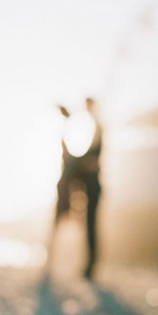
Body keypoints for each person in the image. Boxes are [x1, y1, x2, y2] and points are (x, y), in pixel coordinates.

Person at [49, 99, 102, 280]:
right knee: (72, 222)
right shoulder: (84, 131)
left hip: (81, 186)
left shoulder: (95, 128)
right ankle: (53, 259)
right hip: (74, 186)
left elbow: (84, 160)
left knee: (85, 224)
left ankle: (86, 266)